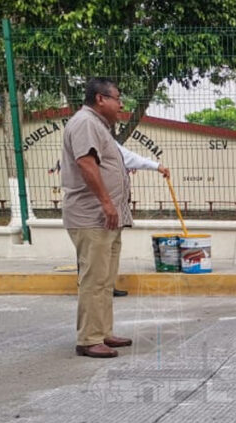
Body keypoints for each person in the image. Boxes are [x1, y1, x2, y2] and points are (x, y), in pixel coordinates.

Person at [61, 78, 132, 358]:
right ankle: (89, 339)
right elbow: (86, 163)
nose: (121, 104)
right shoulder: (85, 123)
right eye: (117, 98)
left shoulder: (97, 125)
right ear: (100, 99)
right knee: (93, 280)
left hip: (106, 218)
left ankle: (102, 332)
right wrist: (106, 202)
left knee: (105, 279)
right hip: (92, 216)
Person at [110, 142, 170, 297]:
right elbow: (129, 158)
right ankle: (95, 287)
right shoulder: (94, 137)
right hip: (100, 208)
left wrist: (156, 166)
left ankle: (107, 285)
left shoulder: (108, 141)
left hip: (115, 206)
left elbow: (129, 158)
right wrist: (157, 166)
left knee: (112, 248)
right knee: (100, 250)